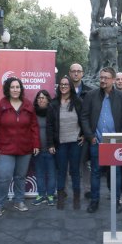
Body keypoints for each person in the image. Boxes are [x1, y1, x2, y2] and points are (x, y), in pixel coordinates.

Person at [81, 66, 122, 213]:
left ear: (113, 80)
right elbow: (84, 117)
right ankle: (94, 201)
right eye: (101, 77)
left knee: (116, 174)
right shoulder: (91, 95)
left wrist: (121, 138)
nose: (102, 80)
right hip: (97, 142)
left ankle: (116, 202)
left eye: (106, 78)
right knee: (95, 172)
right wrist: (90, 136)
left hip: (115, 144)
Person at [0, 77, 40, 217]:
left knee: (20, 176)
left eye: (17, 87)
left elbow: (34, 126)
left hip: (25, 148)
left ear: (21, 89)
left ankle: (19, 201)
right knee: (3, 177)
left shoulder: (28, 105)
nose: (15, 90)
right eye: (12, 87)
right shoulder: (1, 105)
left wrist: (36, 143)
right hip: (5, 149)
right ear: (8, 89)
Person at [48, 76, 84, 210]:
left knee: (75, 171)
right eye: (61, 84)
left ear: (70, 86)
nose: (63, 86)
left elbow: (84, 120)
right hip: (60, 143)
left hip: (75, 142)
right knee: (61, 171)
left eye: (66, 84)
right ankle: (61, 198)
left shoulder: (78, 102)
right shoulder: (53, 104)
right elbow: (50, 125)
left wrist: (84, 135)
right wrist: (50, 144)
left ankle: (76, 198)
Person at [68, 63, 93, 199]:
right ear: (70, 73)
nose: (76, 74)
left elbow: (90, 115)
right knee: (65, 164)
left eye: (79, 71)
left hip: (83, 134)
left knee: (85, 163)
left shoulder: (89, 91)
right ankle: (64, 190)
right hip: (66, 133)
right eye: (73, 71)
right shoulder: (64, 90)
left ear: (82, 73)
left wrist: (85, 134)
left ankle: (87, 189)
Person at [31, 90, 56, 207]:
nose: (41, 100)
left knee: (51, 174)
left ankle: (50, 195)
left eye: (43, 98)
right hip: (37, 150)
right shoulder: (33, 113)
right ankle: (41, 194)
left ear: (48, 100)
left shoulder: (52, 112)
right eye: (39, 98)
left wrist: (54, 145)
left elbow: (56, 130)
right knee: (40, 173)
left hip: (50, 149)